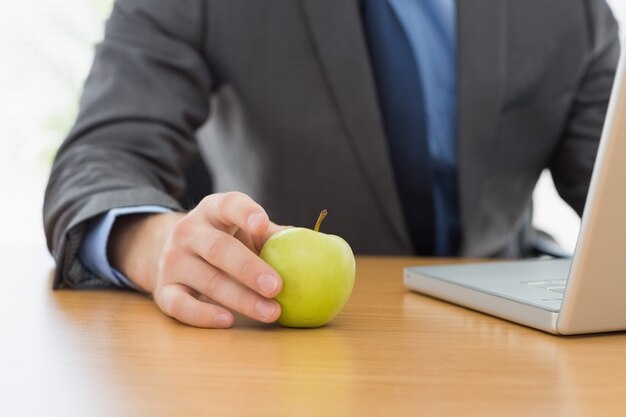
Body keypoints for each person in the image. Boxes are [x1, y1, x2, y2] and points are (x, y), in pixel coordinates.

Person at [44, 0, 620, 328]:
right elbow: (103, 153)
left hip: (503, 334)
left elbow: (608, 176)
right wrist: (153, 242)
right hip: (286, 339)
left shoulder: (567, 11)